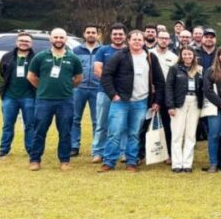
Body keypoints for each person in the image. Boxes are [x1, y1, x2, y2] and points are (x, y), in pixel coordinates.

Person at [98, 30, 165, 173]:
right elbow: (106, 75)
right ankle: (109, 162)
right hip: (121, 101)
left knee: (134, 133)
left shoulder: (150, 57)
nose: (137, 42)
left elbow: (159, 81)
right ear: (128, 40)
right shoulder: (120, 55)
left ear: (144, 41)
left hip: (141, 102)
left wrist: (157, 101)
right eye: (134, 39)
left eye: (140, 39)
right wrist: (113, 95)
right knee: (114, 132)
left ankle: (131, 162)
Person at [27, 29, 84, 171]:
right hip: (44, 100)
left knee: (65, 132)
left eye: (61, 37)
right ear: (50, 39)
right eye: (56, 37)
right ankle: (35, 160)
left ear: (66, 39)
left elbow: (78, 78)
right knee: (39, 131)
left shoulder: (73, 58)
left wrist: (67, 87)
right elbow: (31, 76)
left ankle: (64, 161)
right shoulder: (40, 57)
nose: (58, 39)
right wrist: (43, 88)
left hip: (65, 101)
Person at [91, 23, 127, 164]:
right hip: (104, 92)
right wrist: (111, 87)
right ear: (111, 36)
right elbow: (97, 70)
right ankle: (98, 152)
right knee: (101, 123)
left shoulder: (130, 50)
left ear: (125, 36)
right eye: (115, 34)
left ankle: (123, 152)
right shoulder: (103, 50)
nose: (118, 36)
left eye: (120, 34)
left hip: (124, 94)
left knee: (124, 124)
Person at [0, 32, 37, 159]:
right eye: (21, 40)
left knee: (30, 125)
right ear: (16, 42)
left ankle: (31, 149)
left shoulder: (36, 58)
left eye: (27, 41)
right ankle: (4, 149)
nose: (24, 43)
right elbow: (2, 72)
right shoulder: (7, 56)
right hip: (10, 97)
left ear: (31, 43)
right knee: (8, 124)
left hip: (29, 97)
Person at [165, 46, 204, 173]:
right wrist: (170, 106)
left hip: (195, 102)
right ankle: (177, 163)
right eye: (185, 54)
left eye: (190, 54)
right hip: (179, 103)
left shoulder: (199, 69)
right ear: (181, 56)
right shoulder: (174, 69)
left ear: (194, 56)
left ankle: (187, 163)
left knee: (190, 134)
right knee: (177, 134)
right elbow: (169, 87)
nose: (187, 56)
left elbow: (203, 87)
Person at [70, 24, 101, 157]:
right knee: (75, 118)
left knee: (97, 120)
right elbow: (71, 68)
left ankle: (97, 148)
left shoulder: (102, 50)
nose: (91, 34)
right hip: (79, 88)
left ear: (98, 35)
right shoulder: (76, 50)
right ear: (84, 34)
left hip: (97, 88)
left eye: (93, 32)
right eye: (88, 32)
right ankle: (74, 146)